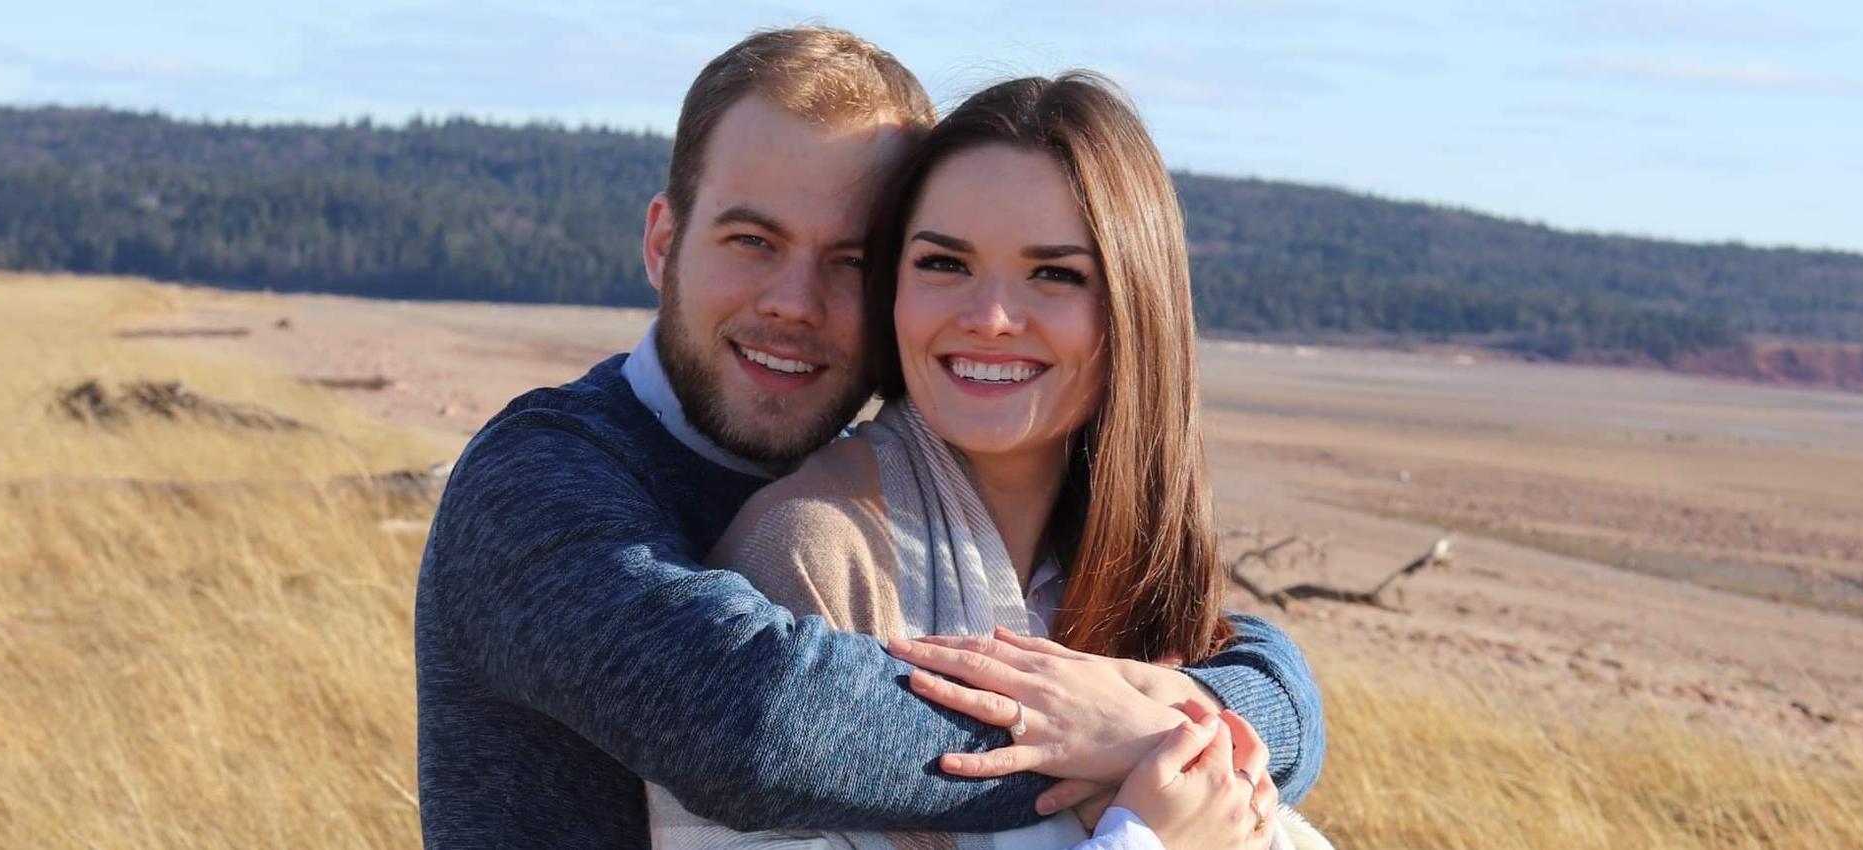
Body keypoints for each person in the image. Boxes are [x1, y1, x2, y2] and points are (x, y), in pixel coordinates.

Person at [415, 27, 1324, 850]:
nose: (794, 304)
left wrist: (1222, 714)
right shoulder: (544, 479)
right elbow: (758, 724)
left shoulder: (942, 492)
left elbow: (1257, 662)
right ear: (663, 241)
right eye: (751, 241)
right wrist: (1145, 749)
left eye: (849, 260)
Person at [649, 73, 1330, 850]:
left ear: (1137, 308)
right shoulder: (814, 552)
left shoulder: (1130, 566)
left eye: (1055, 274)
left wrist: (1156, 726)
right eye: (945, 263)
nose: (991, 319)